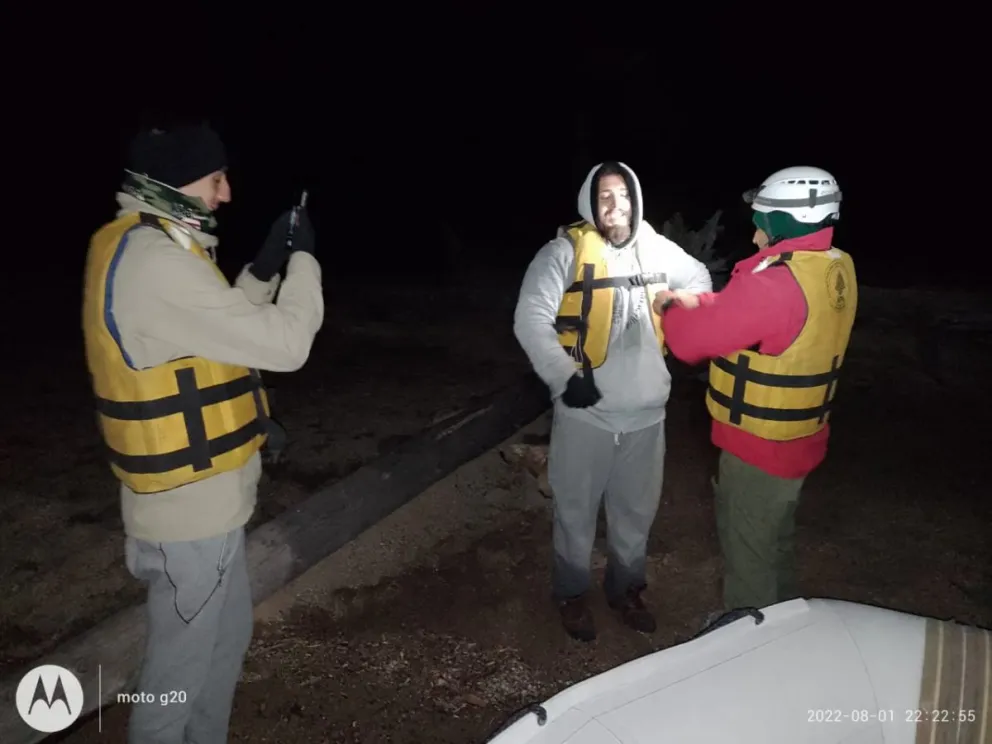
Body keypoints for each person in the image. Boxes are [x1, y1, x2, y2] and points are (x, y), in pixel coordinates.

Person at [81, 121, 324, 743]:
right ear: (183, 180)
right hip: (189, 519)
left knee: (223, 643)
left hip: (205, 509)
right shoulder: (156, 262)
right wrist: (304, 262)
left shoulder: (150, 245)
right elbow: (287, 344)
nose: (226, 194)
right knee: (175, 679)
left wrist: (264, 268)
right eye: (217, 179)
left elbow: (217, 329)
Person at [513, 161, 712, 641]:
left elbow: (702, 277)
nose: (614, 204)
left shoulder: (658, 249)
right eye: (604, 196)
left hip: (646, 416)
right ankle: (571, 593)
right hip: (586, 415)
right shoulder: (562, 252)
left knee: (635, 513)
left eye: (623, 194)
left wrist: (681, 304)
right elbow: (530, 317)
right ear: (589, 202)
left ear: (636, 199)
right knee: (575, 511)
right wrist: (564, 377)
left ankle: (625, 589)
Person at [657, 165, 858, 613]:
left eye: (761, 221)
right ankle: (786, 621)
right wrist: (703, 302)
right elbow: (750, 315)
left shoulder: (775, 284)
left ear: (783, 222)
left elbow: (689, 342)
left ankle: (748, 644)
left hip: (759, 449)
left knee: (750, 558)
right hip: (802, 439)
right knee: (776, 543)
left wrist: (669, 305)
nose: (754, 235)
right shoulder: (832, 267)